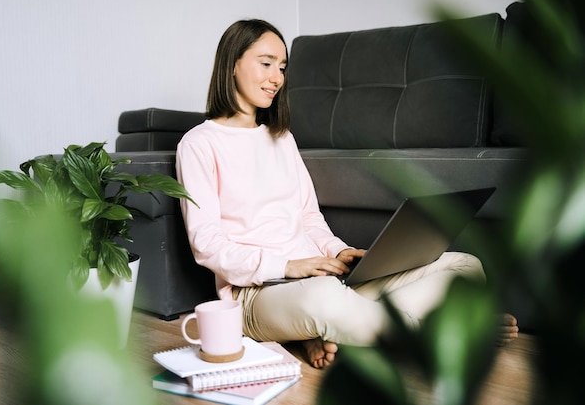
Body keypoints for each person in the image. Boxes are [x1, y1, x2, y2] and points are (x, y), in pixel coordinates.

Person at [175, 19, 519, 369]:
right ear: (232, 64)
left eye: (282, 67)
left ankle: (336, 330)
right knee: (324, 299)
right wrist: (289, 266)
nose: (277, 78)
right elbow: (208, 244)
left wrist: (339, 251)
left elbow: (309, 216)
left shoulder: (281, 138)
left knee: (465, 265)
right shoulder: (198, 144)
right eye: (266, 63)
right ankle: (446, 333)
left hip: (325, 280)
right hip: (258, 294)